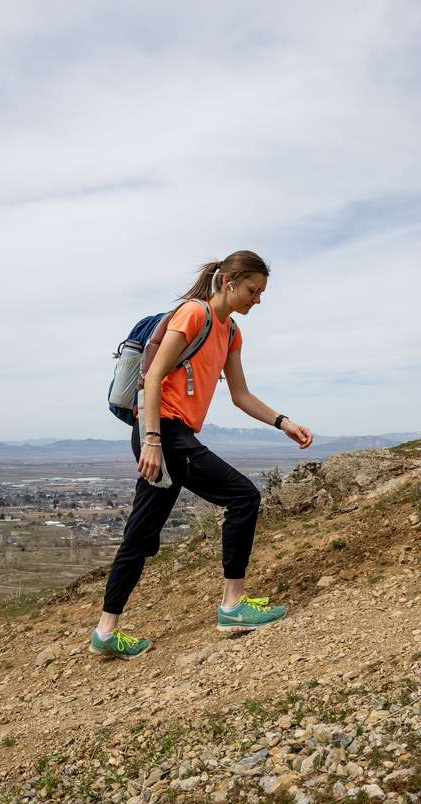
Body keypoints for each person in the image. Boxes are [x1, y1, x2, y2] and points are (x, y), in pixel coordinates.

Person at [91, 250, 313, 660]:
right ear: (228, 282)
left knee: (140, 535)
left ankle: (106, 630)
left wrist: (283, 422)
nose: (257, 300)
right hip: (165, 432)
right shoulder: (194, 315)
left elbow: (240, 395)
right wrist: (154, 441)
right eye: (253, 290)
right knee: (243, 496)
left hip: (170, 435)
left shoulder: (231, 333)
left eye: (262, 293)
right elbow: (153, 375)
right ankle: (232, 606)